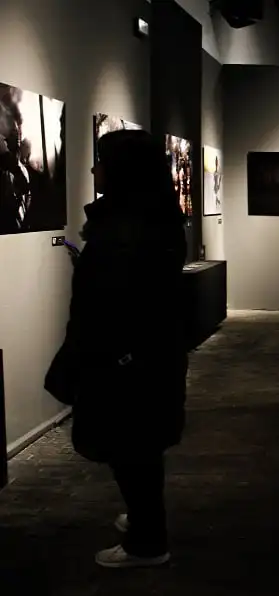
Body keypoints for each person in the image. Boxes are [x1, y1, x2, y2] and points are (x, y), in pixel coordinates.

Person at [45, 129, 188, 568]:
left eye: (101, 159)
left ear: (123, 169)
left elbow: (127, 298)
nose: (93, 169)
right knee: (138, 445)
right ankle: (145, 520)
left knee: (132, 447)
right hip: (142, 356)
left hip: (128, 360)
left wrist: (121, 356)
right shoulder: (150, 216)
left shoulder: (131, 227)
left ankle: (148, 542)